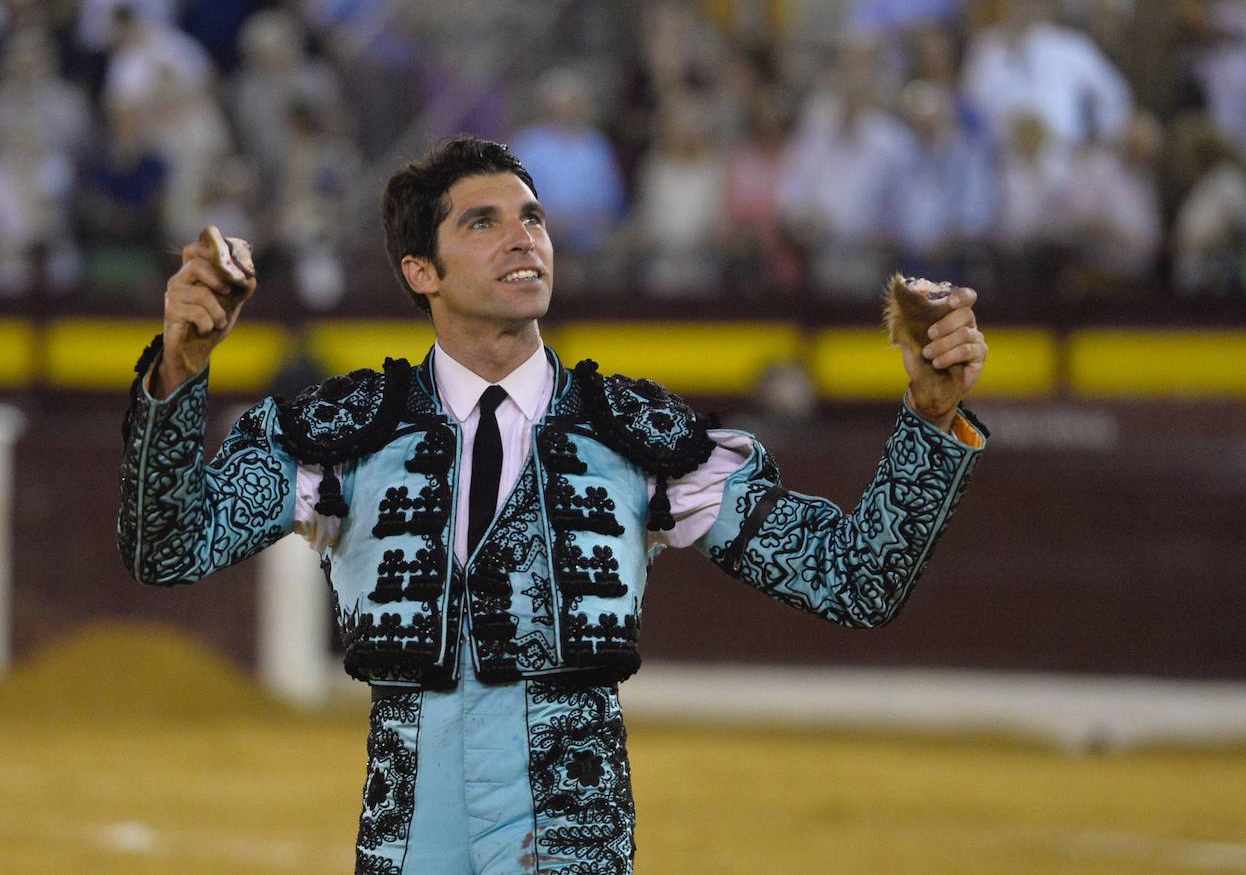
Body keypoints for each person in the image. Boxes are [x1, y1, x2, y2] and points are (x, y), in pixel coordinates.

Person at [117, 136, 990, 873]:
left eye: (531, 217)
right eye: (483, 222)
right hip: (407, 814)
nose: (521, 238)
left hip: (572, 814)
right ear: (420, 269)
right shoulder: (343, 431)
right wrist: (180, 372)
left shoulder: (637, 434)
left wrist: (931, 416)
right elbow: (169, 548)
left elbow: (852, 579)